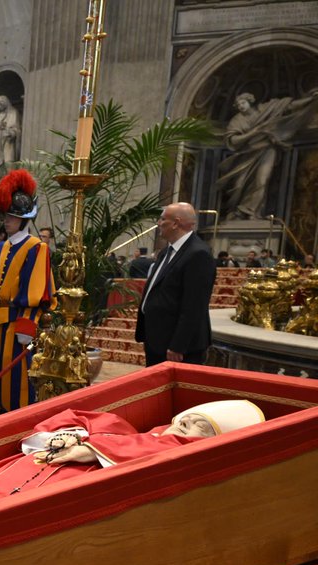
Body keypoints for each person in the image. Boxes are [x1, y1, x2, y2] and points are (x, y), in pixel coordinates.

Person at [0, 400, 264, 543]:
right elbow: (70, 420)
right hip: (14, 472)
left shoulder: (175, 452)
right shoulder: (124, 429)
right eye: (188, 418)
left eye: (201, 427)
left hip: (48, 492)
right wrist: (70, 436)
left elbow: (161, 454)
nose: (186, 426)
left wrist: (90, 448)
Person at [0, 169, 56, 414]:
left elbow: (36, 290)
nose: (6, 220)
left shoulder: (36, 247)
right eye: (4, 215)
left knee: (17, 384)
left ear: (23, 218)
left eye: (11, 216)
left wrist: (26, 327)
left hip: (17, 323)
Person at [135, 202, 216, 366]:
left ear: (175, 223)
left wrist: (178, 345)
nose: (159, 223)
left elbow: (194, 306)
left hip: (177, 347)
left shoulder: (198, 254)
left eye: (162, 219)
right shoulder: (167, 251)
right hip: (157, 338)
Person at [217, 90, 318, 220]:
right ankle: (236, 212)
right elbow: (233, 140)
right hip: (246, 155)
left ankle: (250, 212)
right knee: (238, 186)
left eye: (243, 102)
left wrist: (310, 100)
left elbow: (289, 106)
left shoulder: (266, 109)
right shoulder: (237, 120)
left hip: (267, 150)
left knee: (261, 181)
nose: (241, 106)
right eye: (238, 105)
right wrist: (254, 132)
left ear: (250, 101)